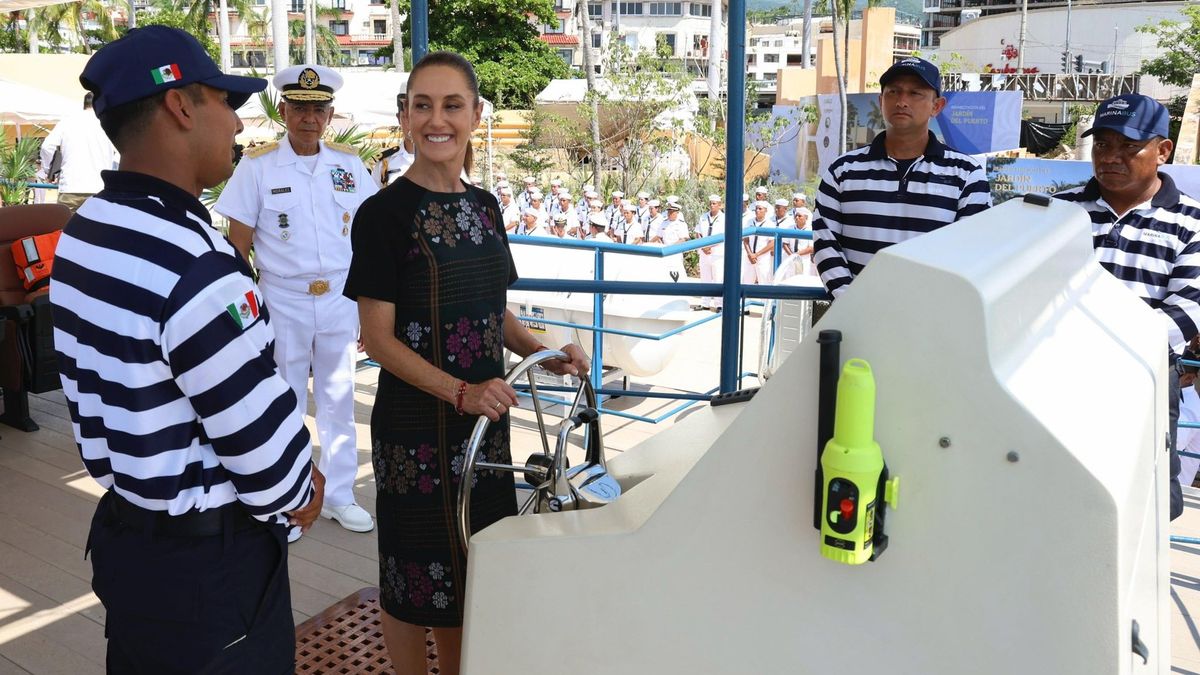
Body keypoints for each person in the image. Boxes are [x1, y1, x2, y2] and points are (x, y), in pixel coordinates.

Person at [53, 25, 323, 672]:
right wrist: (302, 487)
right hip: (213, 580)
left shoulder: (86, 230)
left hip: (132, 550)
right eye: (224, 102)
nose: (235, 122)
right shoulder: (197, 266)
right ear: (180, 105)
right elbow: (269, 464)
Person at [344, 51, 589, 675]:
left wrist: (544, 353)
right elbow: (376, 339)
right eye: (422, 105)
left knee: (473, 571)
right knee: (410, 579)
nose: (437, 119)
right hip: (416, 432)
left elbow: (493, 312)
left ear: (476, 115)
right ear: (404, 117)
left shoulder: (485, 208)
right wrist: (461, 391)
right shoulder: (382, 215)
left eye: (452, 105)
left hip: (484, 427)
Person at [215, 63, 378, 539]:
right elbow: (236, 243)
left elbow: (369, 237)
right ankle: (289, 497)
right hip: (281, 296)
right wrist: (244, 310)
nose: (310, 117)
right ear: (284, 110)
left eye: (319, 109)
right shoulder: (259, 166)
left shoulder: (348, 165)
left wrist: (370, 309)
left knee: (338, 398)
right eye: (300, 108)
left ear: (330, 115)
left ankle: (341, 496)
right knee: (282, 399)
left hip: (339, 298)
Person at [1054, 93, 1200, 521]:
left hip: (1145, 382)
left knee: (1147, 499)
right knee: (1058, 488)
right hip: (1056, 379)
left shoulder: (1191, 221)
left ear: (1163, 150)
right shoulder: (1056, 210)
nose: (1110, 158)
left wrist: (1109, 348)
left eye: (1128, 146)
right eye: (1102, 144)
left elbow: (1190, 306)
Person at [812, 56, 991, 299]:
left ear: (936, 106)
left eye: (915, 93)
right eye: (893, 92)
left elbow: (972, 252)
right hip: (858, 322)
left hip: (931, 325)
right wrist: (852, 304)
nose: (902, 101)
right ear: (880, 101)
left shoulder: (967, 175)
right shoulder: (842, 171)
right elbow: (826, 243)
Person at [38, 91, 118, 211]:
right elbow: (120, 154)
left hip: (71, 186)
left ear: (84, 104)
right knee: (97, 228)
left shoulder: (67, 121)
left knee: (67, 228)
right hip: (100, 187)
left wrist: (47, 170)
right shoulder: (107, 123)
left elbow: (47, 146)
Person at [372, 91, 415, 188]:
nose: (410, 124)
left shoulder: (439, 158)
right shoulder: (384, 163)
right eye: (405, 117)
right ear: (398, 118)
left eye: (414, 117)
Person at [695, 194, 725, 311]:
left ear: (719, 205)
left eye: (714, 204)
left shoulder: (724, 218)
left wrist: (710, 246)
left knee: (718, 278)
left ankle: (719, 304)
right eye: (711, 203)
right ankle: (705, 303)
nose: (712, 206)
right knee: (705, 277)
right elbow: (698, 232)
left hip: (717, 252)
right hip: (704, 251)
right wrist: (703, 246)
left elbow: (723, 236)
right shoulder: (703, 217)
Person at [744, 199, 774, 283]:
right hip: (749, 257)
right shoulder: (749, 222)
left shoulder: (770, 224)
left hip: (763, 258)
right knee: (747, 281)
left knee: (764, 281)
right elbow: (745, 240)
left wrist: (757, 254)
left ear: (766, 210)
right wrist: (750, 254)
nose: (757, 211)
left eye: (760, 209)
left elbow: (772, 243)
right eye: (756, 209)